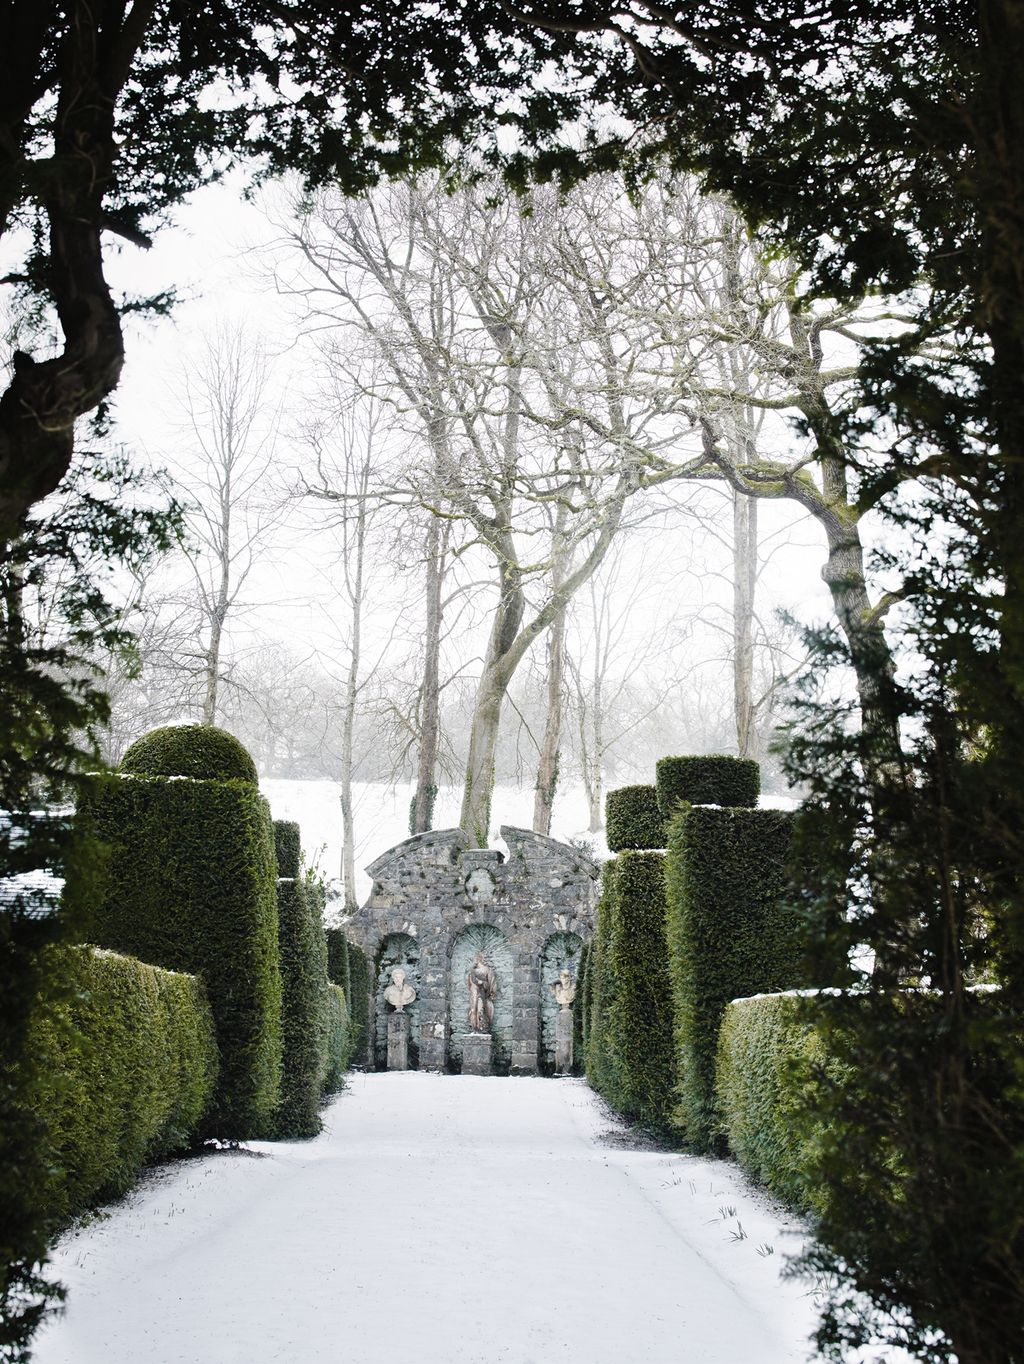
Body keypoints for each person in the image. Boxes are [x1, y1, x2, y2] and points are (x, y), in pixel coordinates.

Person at [466, 951, 498, 1031]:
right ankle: (474, 1027)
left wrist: (483, 984)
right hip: (474, 992)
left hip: (483, 992)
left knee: (481, 1009)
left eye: (475, 959)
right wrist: (477, 983)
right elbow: (471, 981)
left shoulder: (487, 970)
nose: (474, 961)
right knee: (474, 1009)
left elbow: (490, 982)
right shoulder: (473, 971)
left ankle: (481, 1027)